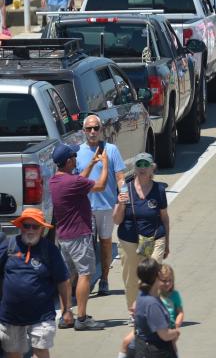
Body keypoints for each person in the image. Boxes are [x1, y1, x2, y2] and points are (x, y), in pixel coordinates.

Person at [49, 141, 109, 331]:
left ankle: (67, 315)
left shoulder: (55, 181)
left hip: (63, 236)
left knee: (67, 276)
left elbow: (78, 182)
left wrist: (91, 164)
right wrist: (104, 164)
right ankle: (82, 318)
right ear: (68, 161)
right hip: (79, 235)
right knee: (85, 274)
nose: (76, 158)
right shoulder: (73, 182)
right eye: (73, 156)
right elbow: (100, 185)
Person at [0, 208, 73, 358]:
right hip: (11, 315)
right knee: (13, 353)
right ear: (20, 227)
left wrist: (67, 309)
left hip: (41, 315)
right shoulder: (9, 245)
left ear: (42, 229)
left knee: (40, 351)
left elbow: (63, 281)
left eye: (35, 226)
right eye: (27, 226)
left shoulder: (50, 250)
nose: (30, 230)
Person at [114, 152, 170, 321]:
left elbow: (164, 218)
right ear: (135, 168)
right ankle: (135, 312)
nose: (142, 168)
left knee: (153, 274)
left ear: (152, 168)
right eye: (139, 165)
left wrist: (167, 243)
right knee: (131, 279)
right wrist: (121, 204)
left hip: (155, 238)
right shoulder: (125, 189)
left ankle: (151, 310)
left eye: (146, 165)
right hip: (129, 240)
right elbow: (117, 220)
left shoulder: (159, 190)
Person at [75, 114, 126, 298]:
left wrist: (124, 192)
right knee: (86, 247)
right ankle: (84, 283)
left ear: (101, 129)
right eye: (89, 129)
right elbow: (74, 180)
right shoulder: (77, 152)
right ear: (84, 131)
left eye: (96, 128)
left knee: (105, 243)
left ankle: (104, 279)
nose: (92, 132)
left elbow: (120, 177)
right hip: (85, 208)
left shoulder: (111, 150)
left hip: (106, 206)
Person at [131, 258, 180, 358]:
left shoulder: (142, 294)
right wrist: (176, 332)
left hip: (143, 347)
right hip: (156, 351)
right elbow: (164, 335)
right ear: (157, 275)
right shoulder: (152, 304)